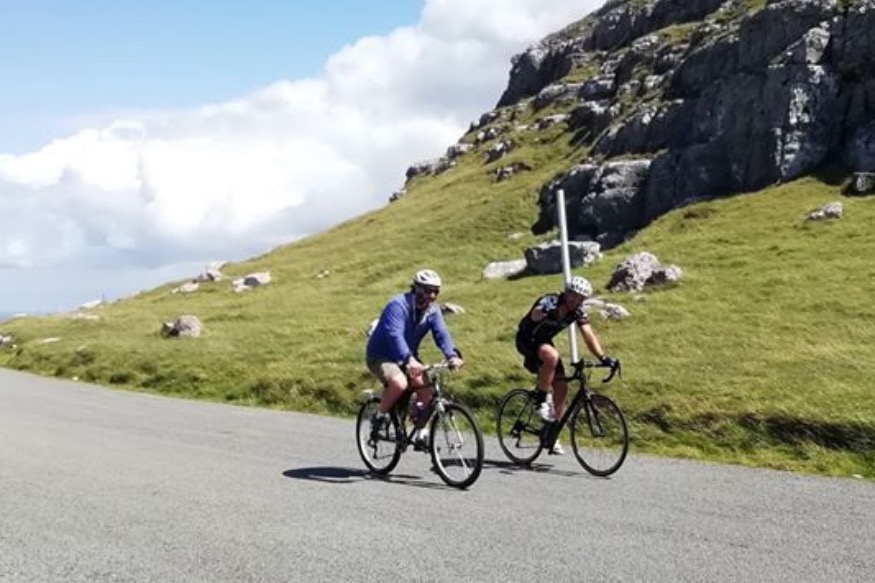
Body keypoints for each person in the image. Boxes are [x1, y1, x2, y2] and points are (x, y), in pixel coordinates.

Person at [515, 275, 619, 455]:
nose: (576, 300)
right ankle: (540, 401)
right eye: (574, 295)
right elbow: (534, 315)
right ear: (567, 292)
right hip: (526, 339)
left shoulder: (577, 312)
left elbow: (588, 335)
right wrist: (543, 310)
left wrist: (603, 357)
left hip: (544, 342)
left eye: (581, 298)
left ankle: (552, 434)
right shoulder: (551, 300)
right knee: (552, 356)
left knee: (562, 387)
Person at [366, 269, 464, 446]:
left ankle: (421, 432)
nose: (431, 295)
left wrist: (451, 355)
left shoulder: (432, 310)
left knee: (426, 388)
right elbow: (394, 335)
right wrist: (409, 359)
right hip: (382, 355)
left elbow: (441, 334)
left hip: (407, 356)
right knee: (399, 383)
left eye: (435, 292)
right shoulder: (397, 305)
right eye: (426, 290)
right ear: (416, 288)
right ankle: (379, 417)